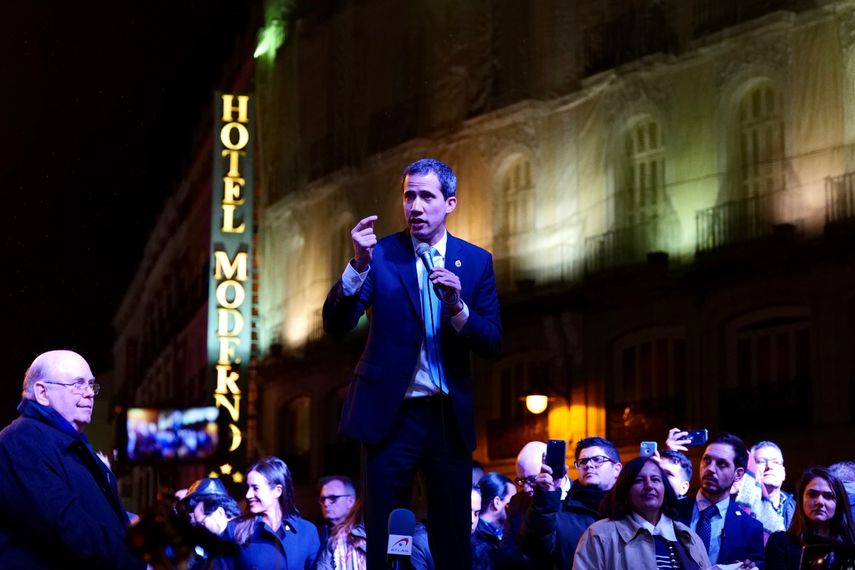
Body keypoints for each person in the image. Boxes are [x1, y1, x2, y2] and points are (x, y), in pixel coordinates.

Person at [323, 158, 502, 570]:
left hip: (446, 419)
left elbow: (492, 342)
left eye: (426, 196)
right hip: (391, 417)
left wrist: (459, 307)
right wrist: (357, 265)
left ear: (450, 202)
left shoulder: (475, 262)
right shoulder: (379, 255)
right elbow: (336, 323)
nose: (415, 206)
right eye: (408, 196)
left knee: (452, 535)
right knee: (389, 536)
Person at [0, 350, 146, 569]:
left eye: (91, 385)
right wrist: (137, 558)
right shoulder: (21, 440)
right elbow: (64, 526)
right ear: (42, 393)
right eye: (77, 385)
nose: (89, 393)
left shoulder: (71, 443)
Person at [573, 457, 710, 569]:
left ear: (665, 489)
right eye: (639, 480)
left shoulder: (689, 537)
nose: (649, 486)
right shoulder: (599, 535)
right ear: (625, 491)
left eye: (655, 479)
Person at [522, 436, 622, 569]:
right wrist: (545, 495)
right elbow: (535, 548)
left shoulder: (630, 507)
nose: (589, 465)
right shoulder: (561, 510)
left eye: (598, 460)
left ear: (617, 469)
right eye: (583, 461)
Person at [674, 432, 765, 568]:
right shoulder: (672, 511)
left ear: (738, 474)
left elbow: (758, 565)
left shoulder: (751, 529)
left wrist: (749, 566)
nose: (710, 469)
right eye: (707, 460)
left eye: (721, 464)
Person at [234, 456, 320, 569]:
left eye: (255, 488)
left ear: (277, 491)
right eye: (248, 488)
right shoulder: (236, 529)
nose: (248, 495)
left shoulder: (307, 531)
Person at [765, 466, 855, 570]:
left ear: (839, 503)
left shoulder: (849, 546)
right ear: (801, 499)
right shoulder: (780, 542)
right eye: (812, 494)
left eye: (828, 496)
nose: (820, 502)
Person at [472, 472, 530, 570]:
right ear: (497, 502)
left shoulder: (507, 531)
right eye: (512, 502)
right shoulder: (476, 540)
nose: (516, 507)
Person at [183, 478, 243, 569]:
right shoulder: (216, 544)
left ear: (219, 513)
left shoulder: (242, 540)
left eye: (202, 523)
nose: (199, 529)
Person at [317, 475, 357, 551]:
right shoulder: (317, 536)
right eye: (322, 499)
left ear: (350, 501)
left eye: (333, 498)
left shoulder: (365, 534)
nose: (326, 503)